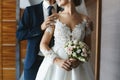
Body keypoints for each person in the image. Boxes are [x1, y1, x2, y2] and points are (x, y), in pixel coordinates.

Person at [35, 0, 94, 80]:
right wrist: (57, 60)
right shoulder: (55, 18)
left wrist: (79, 61)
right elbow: (43, 44)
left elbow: (88, 47)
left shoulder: (85, 20)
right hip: (55, 67)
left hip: (78, 69)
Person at [16, 0, 62, 80]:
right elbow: (20, 35)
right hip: (34, 61)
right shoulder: (30, 11)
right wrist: (40, 28)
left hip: (58, 60)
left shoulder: (64, 10)